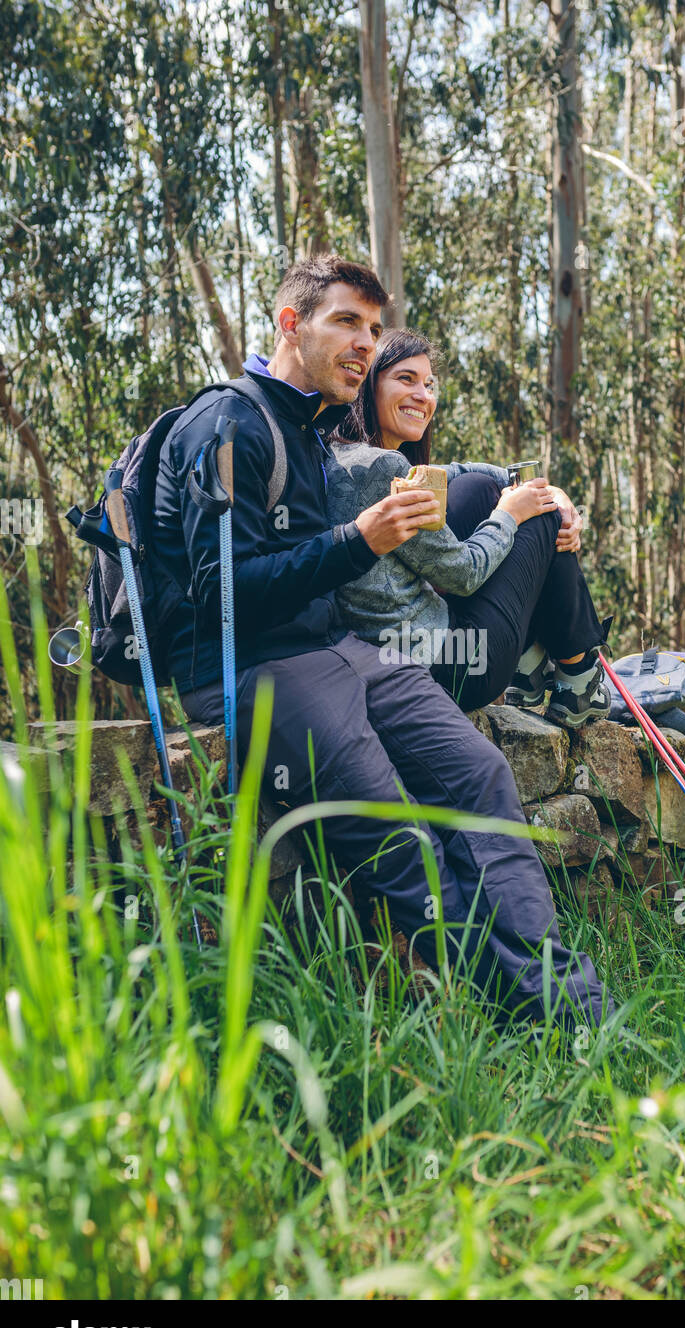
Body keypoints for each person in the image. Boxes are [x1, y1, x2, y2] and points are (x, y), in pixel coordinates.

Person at [151, 253, 610, 1031]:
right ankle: (531, 1018)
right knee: (399, 838)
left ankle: (573, 1003)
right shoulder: (226, 424)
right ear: (291, 324)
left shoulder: (310, 427)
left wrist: (520, 487)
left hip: (342, 652)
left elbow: (423, 468)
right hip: (255, 668)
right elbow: (221, 590)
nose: (366, 344)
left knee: (481, 777)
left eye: (372, 328)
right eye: (346, 323)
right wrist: (356, 543)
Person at [326, 328, 612, 726]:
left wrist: (542, 488)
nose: (423, 396)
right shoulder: (382, 469)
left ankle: (529, 668)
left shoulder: (343, 457)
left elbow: (459, 471)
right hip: (455, 666)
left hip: (399, 653)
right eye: (405, 379)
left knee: (478, 488)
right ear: (367, 386)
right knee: (539, 513)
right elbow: (464, 574)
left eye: (429, 384)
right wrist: (513, 512)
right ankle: (578, 675)